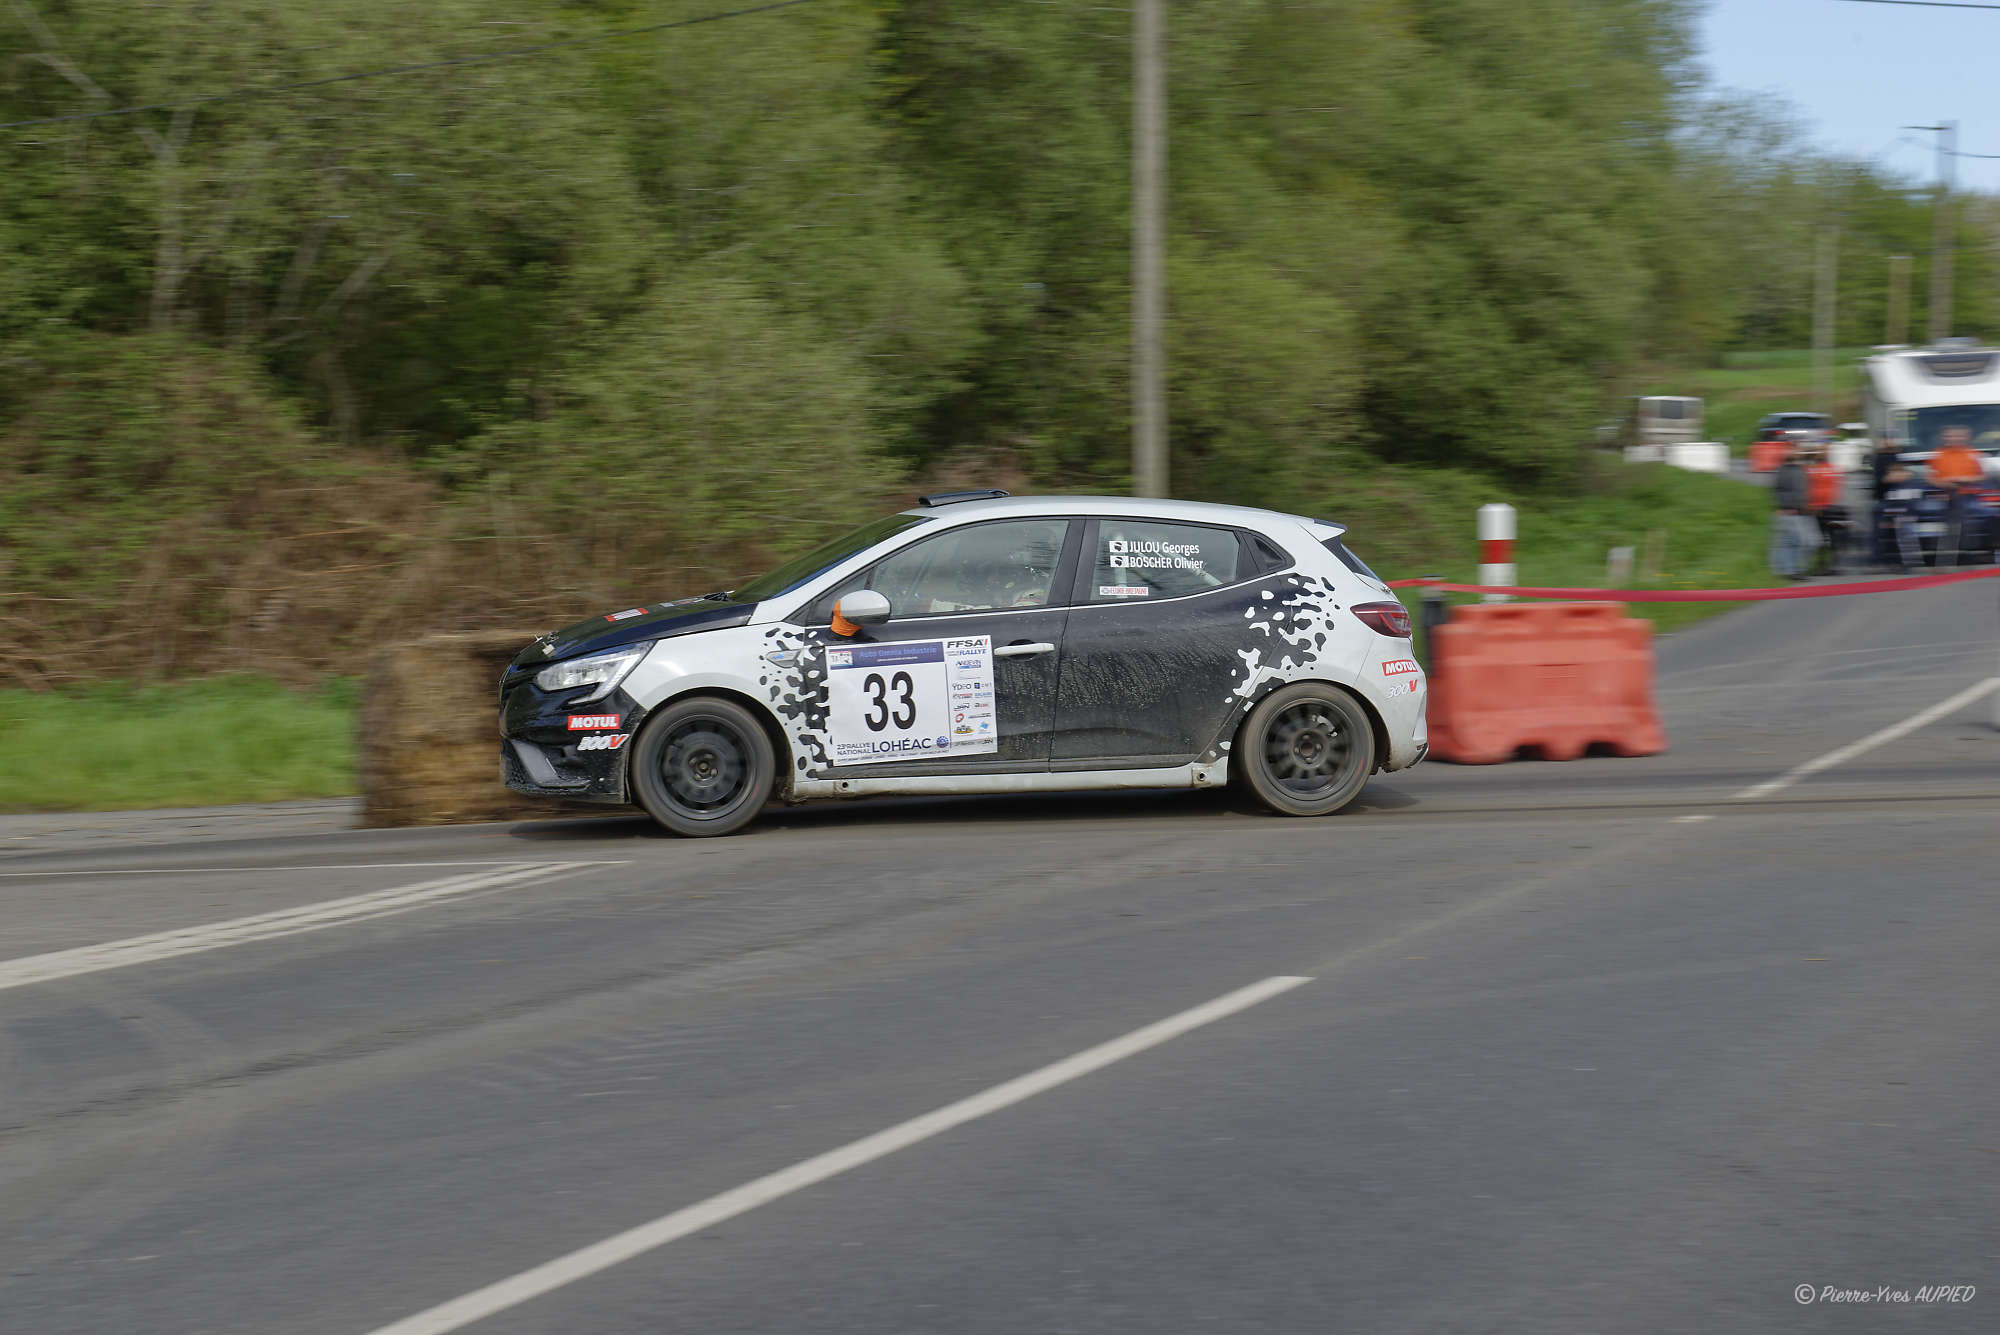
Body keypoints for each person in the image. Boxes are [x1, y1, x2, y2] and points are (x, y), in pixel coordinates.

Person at [1769, 439, 1817, 579]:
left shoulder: (1800, 469)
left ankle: (1791, 570)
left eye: (1798, 450)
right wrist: (1782, 507)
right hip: (1790, 512)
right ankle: (1790, 571)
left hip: (1801, 511)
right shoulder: (1783, 470)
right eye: (1793, 449)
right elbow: (1777, 490)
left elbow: (1804, 490)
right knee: (1797, 542)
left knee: (1798, 542)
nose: (1796, 452)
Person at [1805, 444, 1847, 573]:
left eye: (1824, 451)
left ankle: (1832, 564)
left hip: (1831, 509)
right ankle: (1820, 564)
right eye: (1819, 451)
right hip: (1816, 510)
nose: (1821, 454)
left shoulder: (1833, 470)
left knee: (1833, 538)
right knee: (1820, 538)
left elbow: (1838, 489)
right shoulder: (1810, 470)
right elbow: (1807, 489)